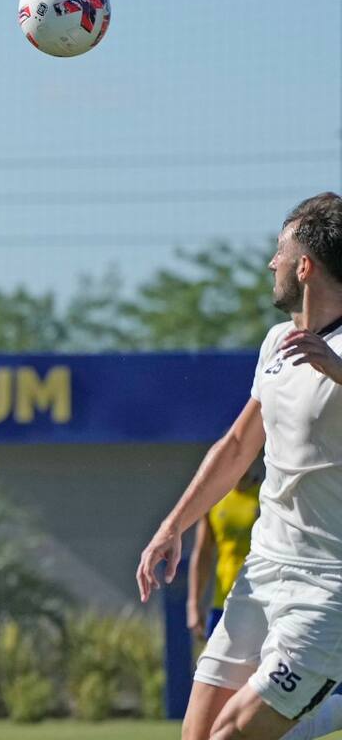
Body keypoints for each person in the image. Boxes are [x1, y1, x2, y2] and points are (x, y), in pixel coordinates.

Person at [137, 192, 342, 740]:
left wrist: (338, 369)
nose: (272, 264)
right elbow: (235, 447)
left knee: (232, 734)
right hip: (262, 571)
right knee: (199, 735)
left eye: (280, 252)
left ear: (305, 266)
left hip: (328, 587)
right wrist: (172, 526)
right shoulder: (278, 343)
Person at [187, 473, 261, 641]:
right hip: (223, 603)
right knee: (212, 658)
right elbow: (203, 553)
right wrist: (193, 604)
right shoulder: (215, 499)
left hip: (259, 603)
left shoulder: (267, 495)